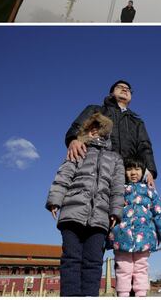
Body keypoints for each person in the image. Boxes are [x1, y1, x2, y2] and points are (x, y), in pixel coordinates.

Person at [46, 112, 125, 296]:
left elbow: (118, 188)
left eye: (98, 129)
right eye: (91, 129)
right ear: (85, 131)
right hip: (72, 212)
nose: (94, 132)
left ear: (105, 133)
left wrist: (115, 211)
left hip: (100, 217)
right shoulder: (78, 151)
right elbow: (63, 176)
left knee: (94, 261)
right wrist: (55, 200)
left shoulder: (115, 159)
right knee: (71, 259)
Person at [65, 80, 158, 187]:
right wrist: (73, 139)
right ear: (111, 93)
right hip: (96, 170)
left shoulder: (137, 122)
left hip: (126, 175)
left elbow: (145, 147)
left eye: (128, 89)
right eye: (120, 87)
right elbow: (77, 126)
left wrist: (150, 170)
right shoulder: (95, 110)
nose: (124, 89)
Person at [108, 157, 161, 296]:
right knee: (123, 269)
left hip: (144, 237)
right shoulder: (119, 191)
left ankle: (141, 294)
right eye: (129, 169)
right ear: (124, 171)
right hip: (121, 236)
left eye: (137, 169)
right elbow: (110, 212)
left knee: (141, 268)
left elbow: (159, 213)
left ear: (143, 172)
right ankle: (123, 294)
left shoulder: (149, 191)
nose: (133, 173)